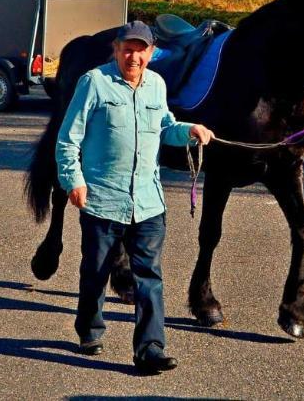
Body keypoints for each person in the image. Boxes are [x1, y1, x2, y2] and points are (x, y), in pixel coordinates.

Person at [55, 20, 214, 374]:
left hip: (147, 203)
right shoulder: (94, 83)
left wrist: (189, 130)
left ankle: (150, 349)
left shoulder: (157, 85)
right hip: (102, 200)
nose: (134, 56)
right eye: (128, 48)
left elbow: (164, 128)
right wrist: (73, 181)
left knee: (149, 277)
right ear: (116, 49)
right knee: (95, 272)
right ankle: (90, 329)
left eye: (141, 50)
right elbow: (68, 139)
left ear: (151, 53)